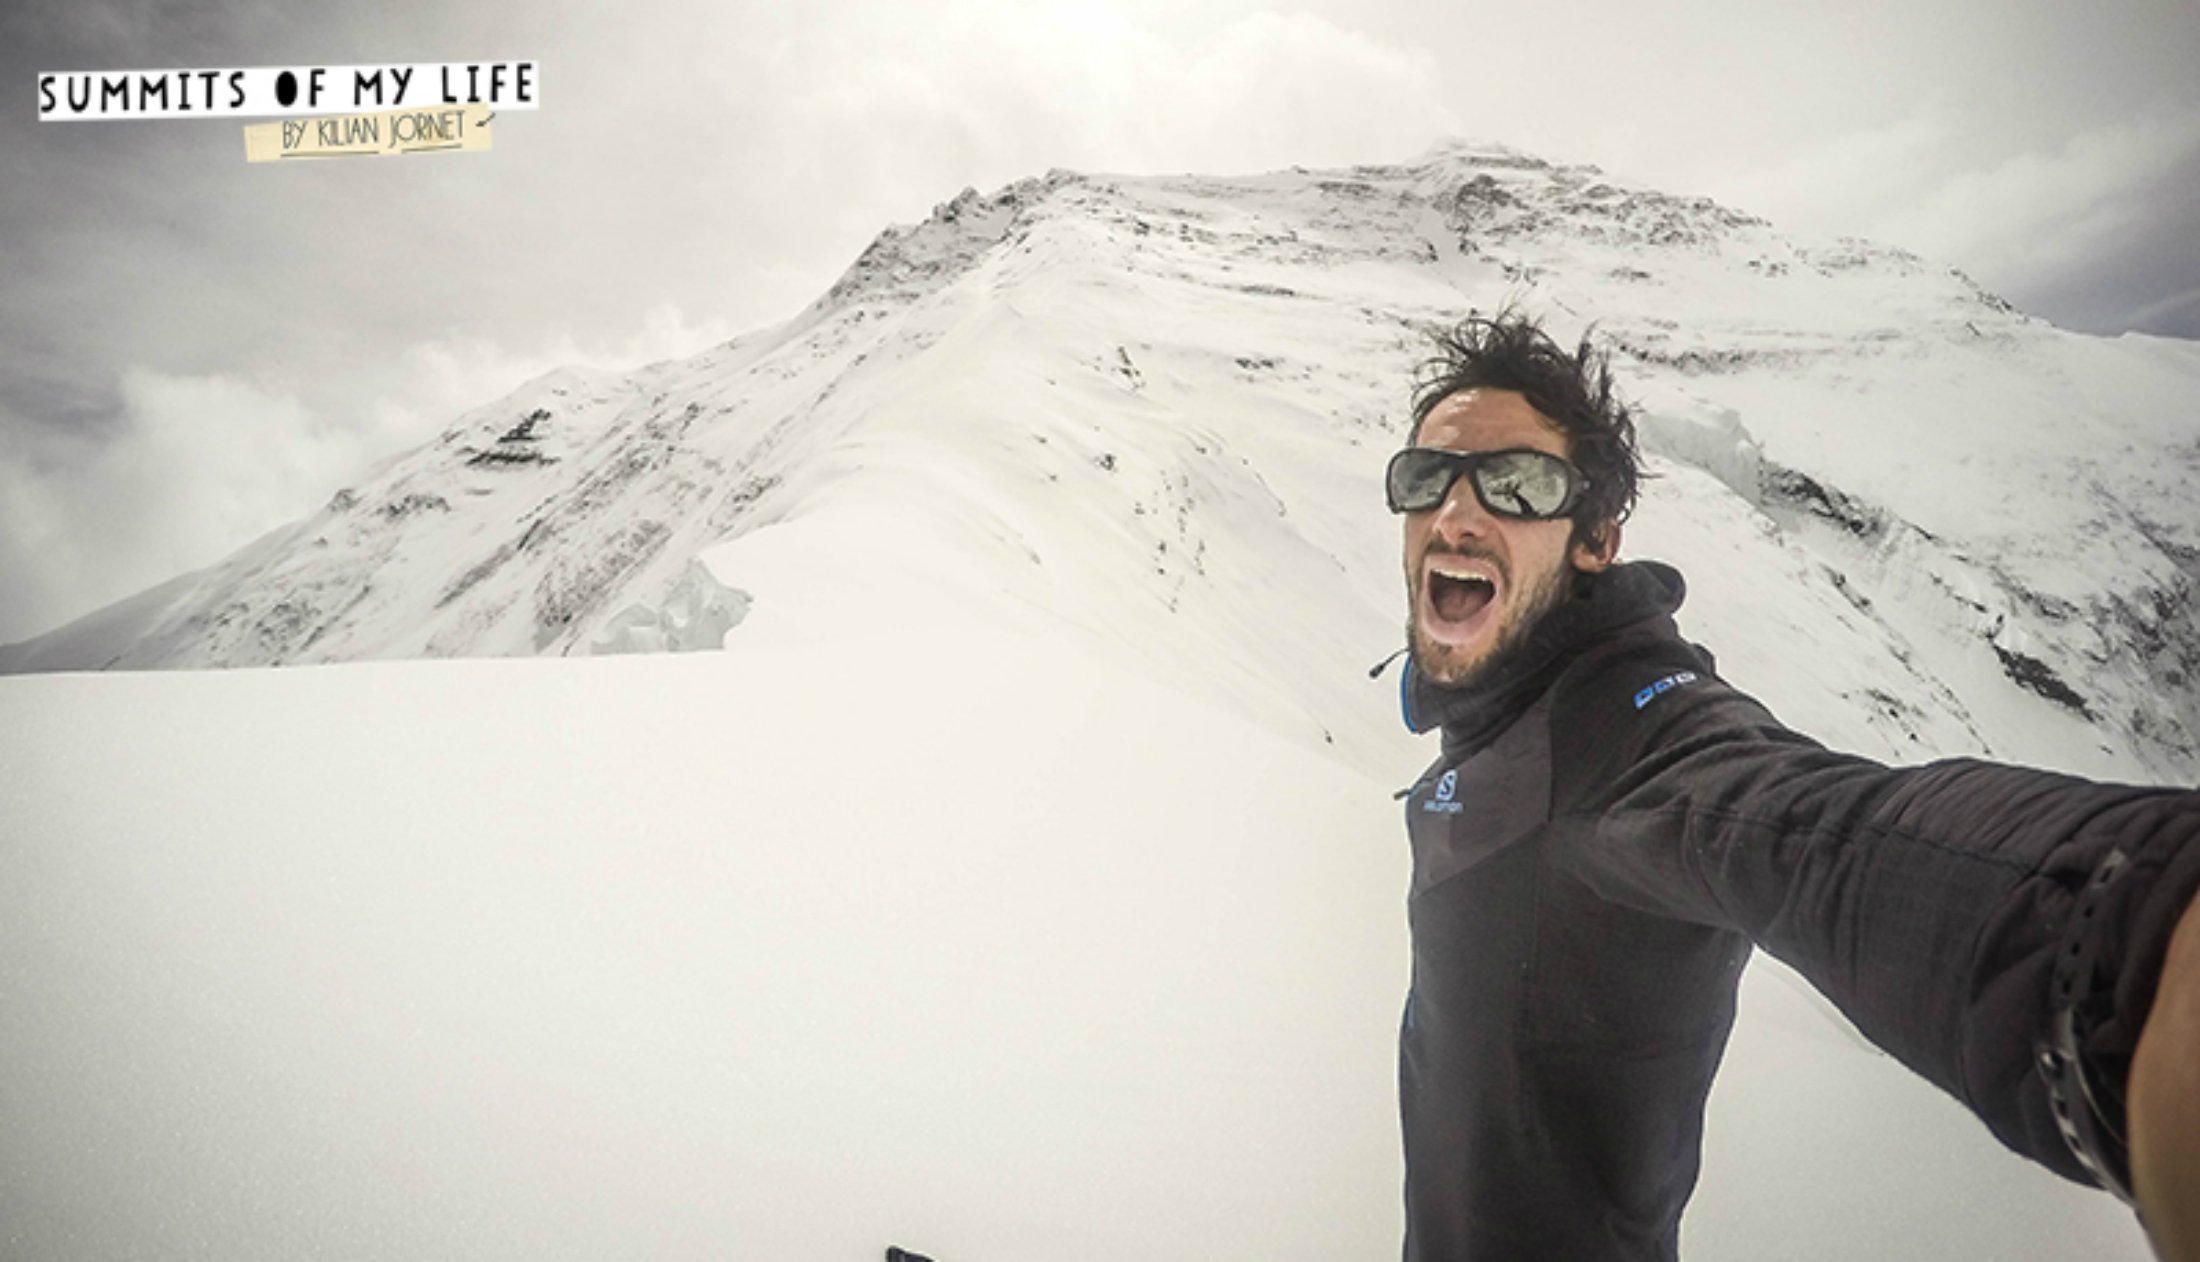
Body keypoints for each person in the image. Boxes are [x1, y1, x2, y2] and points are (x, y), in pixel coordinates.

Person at [1385, 311, 2200, 1261]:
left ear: (1595, 540)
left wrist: (2132, 937)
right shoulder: (1507, 705)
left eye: (1520, 486)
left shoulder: (1630, 741)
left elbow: (1814, 830)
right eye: (1427, 478)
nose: (1455, 513)